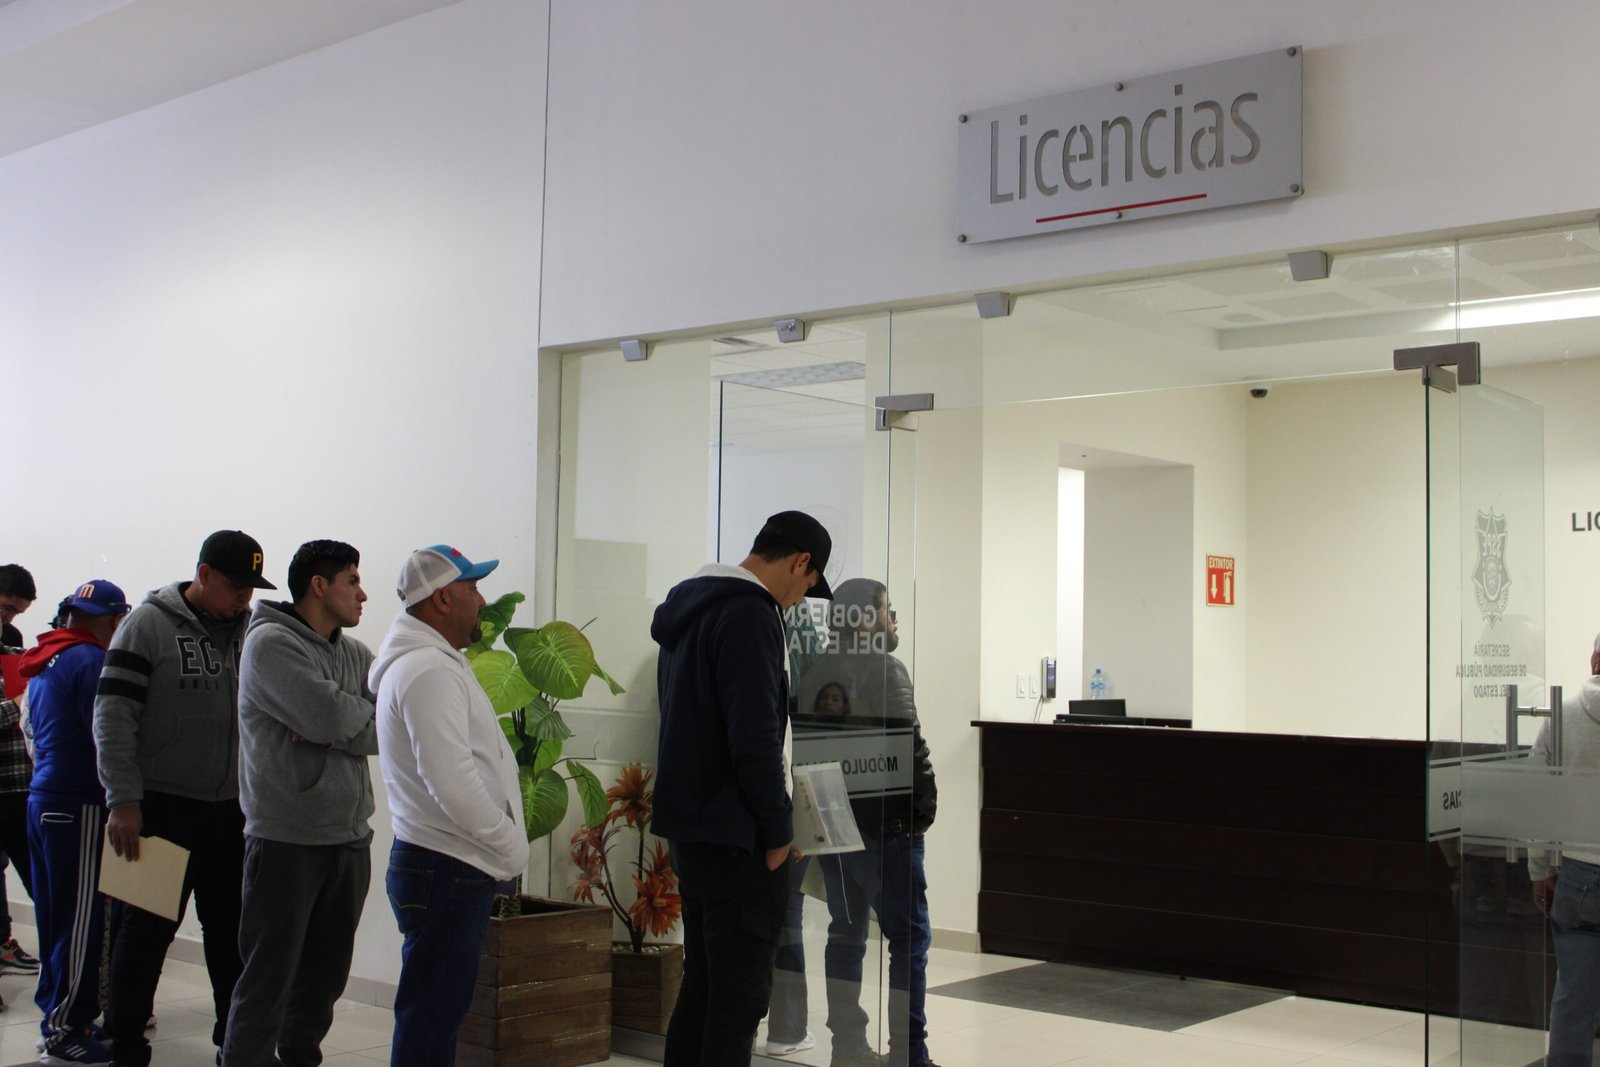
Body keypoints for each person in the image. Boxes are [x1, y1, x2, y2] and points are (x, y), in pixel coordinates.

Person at [651, 509, 834, 1067]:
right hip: (740, 839)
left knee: (704, 987)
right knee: (738, 1000)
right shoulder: (751, 614)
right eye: (808, 586)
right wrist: (779, 831)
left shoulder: (691, 607)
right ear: (801, 562)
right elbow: (754, 739)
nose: (799, 601)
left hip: (695, 832)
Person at [94, 530, 276, 1067]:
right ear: (203, 574)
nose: (243, 595)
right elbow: (113, 717)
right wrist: (123, 801)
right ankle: (125, 1046)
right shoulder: (147, 625)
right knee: (143, 936)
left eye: (250, 585)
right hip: (160, 808)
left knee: (231, 937)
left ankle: (233, 1045)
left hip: (232, 812)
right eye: (234, 583)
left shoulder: (252, 633)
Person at [221, 541, 378, 1067]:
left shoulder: (356, 654)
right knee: (268, 980)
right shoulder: (270, 644)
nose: (362, 594)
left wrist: (331, 725)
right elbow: (330, 718)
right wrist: (334, 722)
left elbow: (392, 726)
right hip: (286, 839)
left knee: (324, 980)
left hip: (349, 836)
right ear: (319, 585)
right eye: (352, 581)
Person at [370, 545, 528, 1067]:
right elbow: (453, 783)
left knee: (434, 1016)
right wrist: (509, 846)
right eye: (472, 588)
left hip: (446, 865)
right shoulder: (427, 671)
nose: (481, 601)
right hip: (447, 869)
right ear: (441, 599)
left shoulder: (433, 663)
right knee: (431, 1021)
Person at [799, 578, 938, 1067]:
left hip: (837, 828)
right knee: (909, 940)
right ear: (863, 619)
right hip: (886, 830)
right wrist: (922, 814)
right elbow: (906, 748)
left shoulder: (816, 671)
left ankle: (849, 1050)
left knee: (846, 936)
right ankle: (908, 1055)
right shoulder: (887, 668)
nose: (894, 619)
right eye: (887, 609)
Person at [21, 580, 132, 1065]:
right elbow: (107, 735)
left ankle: (57, 1015)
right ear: (114, 620)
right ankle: (67, 1029)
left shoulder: (46, 658)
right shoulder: (91, 662)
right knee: (80, 921)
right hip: (80, 803)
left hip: (44, 797)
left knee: (55, 917)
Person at [1532, 632, 1600, 1067]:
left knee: (1574, 999)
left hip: (1577, 875)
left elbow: (1538, 800)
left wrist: (1539, 870)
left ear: (1595, 660)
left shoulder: (1563, 715)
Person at [0, 562, 41, 978]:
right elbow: (17, 704)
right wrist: (17, 706)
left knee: (35, 870)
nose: (10, 619)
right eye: (7, 608)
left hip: (18, 781)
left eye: (16, 612)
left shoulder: (12, 644)